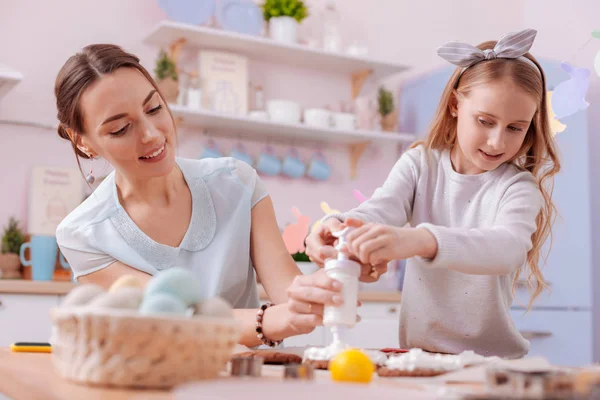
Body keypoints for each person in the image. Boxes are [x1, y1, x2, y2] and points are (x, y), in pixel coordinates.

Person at [54, 44, 379, 348]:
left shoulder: (236, 183)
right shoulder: (82, 234)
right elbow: (175, 319)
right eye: (121, 129)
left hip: (241, 382)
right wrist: (275, 320)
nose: (151, 134)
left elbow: (287, 286)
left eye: (153, 108)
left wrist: (330, 277)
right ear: (82, 141)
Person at [305, 29, 560, 359]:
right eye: (485, 121)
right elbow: (379, 210)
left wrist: (419, 240)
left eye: (515, 127)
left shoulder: (516, 188)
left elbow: (507, 247)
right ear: (455, 105)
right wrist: (337, 225)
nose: (498, 141)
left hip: (491, 364)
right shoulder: (419, 164)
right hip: (420, 356)